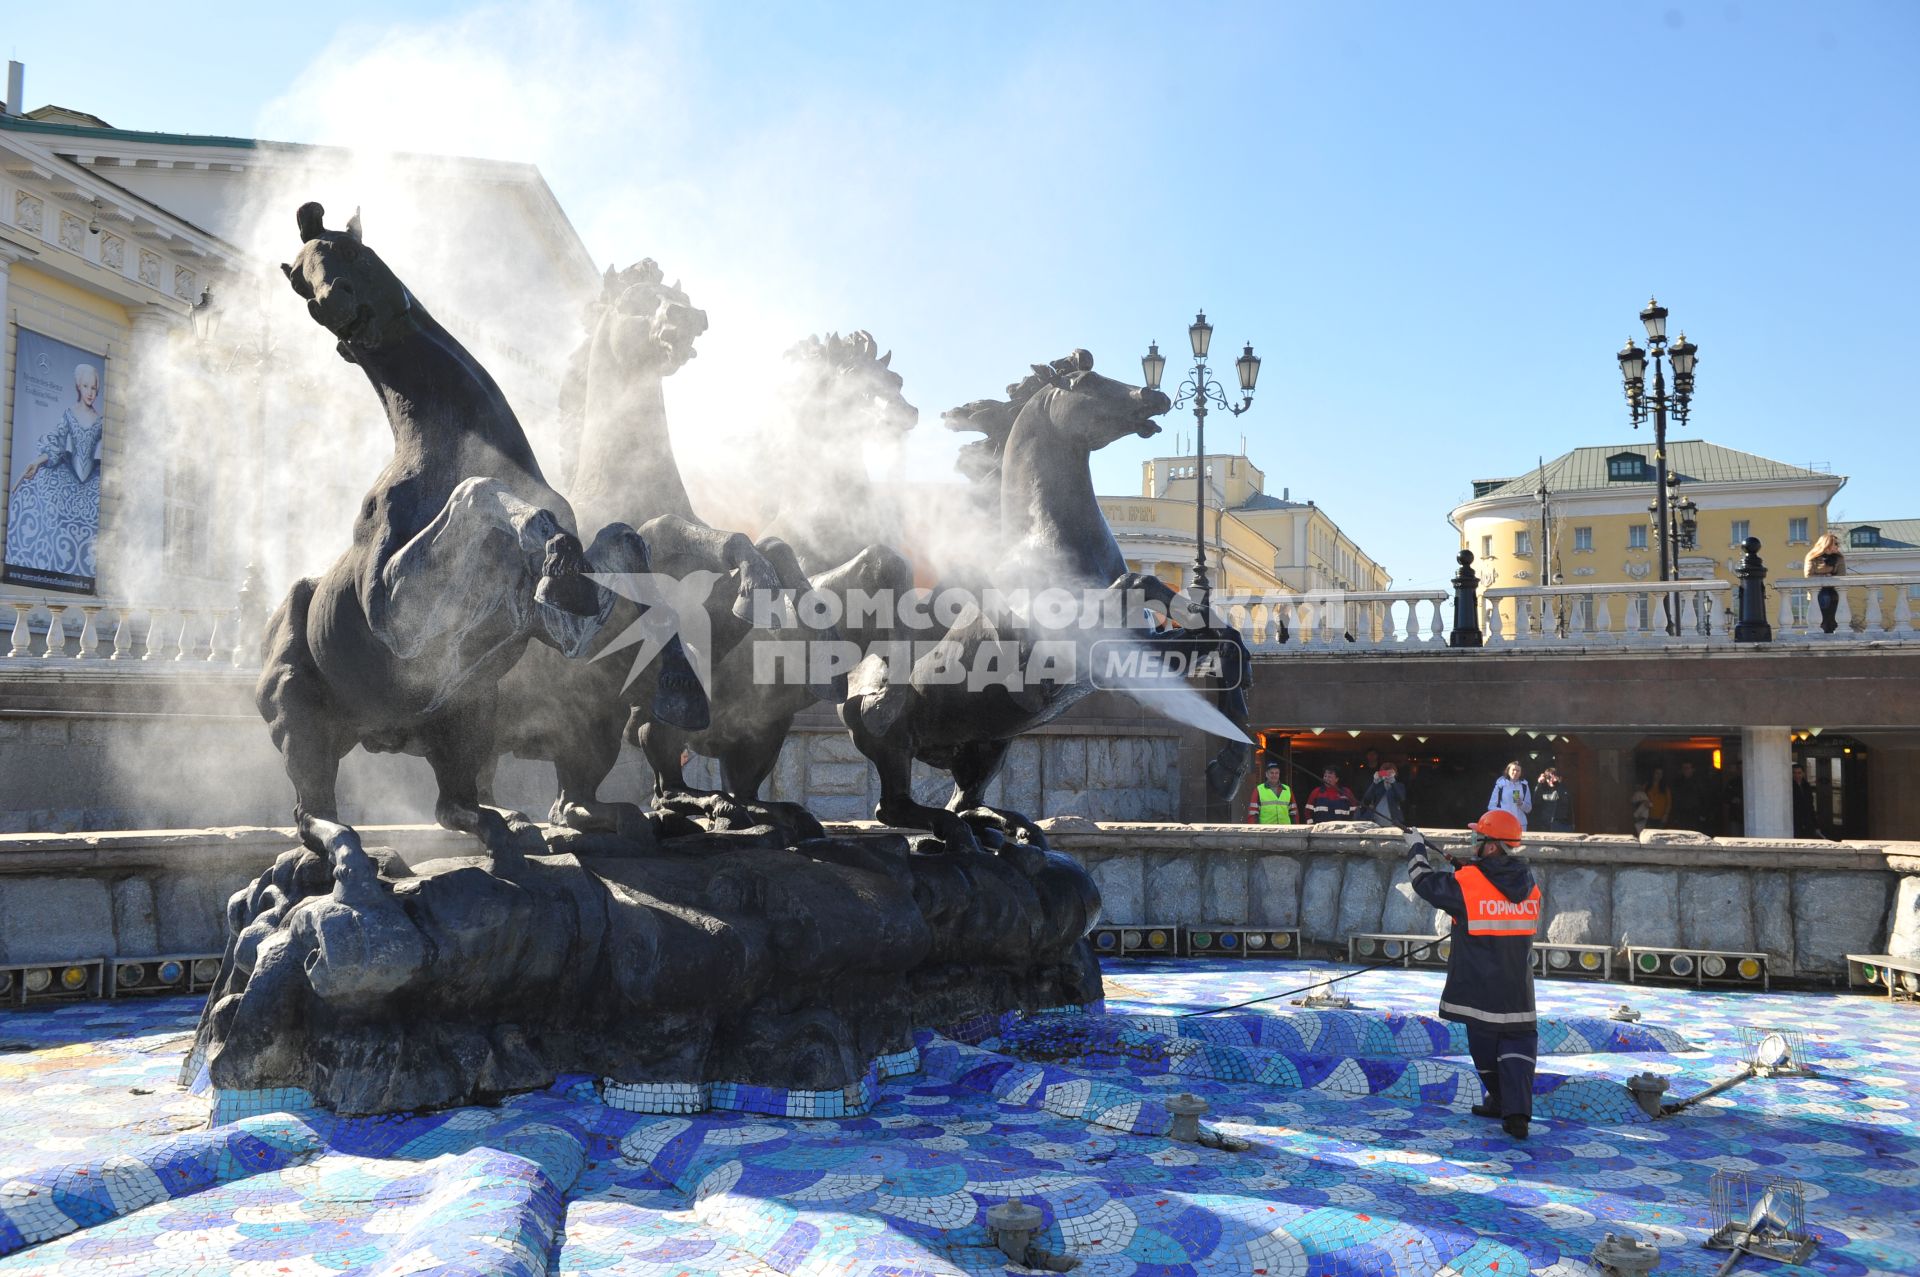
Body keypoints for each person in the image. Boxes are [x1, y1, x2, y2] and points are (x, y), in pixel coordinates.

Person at [1403, 809, 1541, 1140]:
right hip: (1519, 990)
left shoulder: (1470, 884)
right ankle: (1516, 1112)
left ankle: (1503, 1102)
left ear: (1492, 847)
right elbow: (1494, 889)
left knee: (1485, 1048)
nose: (1474, 843)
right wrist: (1470, 870)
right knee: (1519, 1045)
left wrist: (1415, 847)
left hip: (1480, 990)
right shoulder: (1528, 883)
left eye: (1478, 839)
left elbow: (1425, 883)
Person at [5, 362, 103, 581]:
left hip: (92, 478)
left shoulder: (101, 421)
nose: (90, 392)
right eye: (86, 386)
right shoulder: (70, 414)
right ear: (78, 386)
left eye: (94, 388)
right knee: (41, 493)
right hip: (69, 473)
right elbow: (58, 443)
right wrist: (38, 462)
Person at [1805, 532, 1846, 635]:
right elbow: (1809, 575)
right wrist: (1825, 576)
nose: (1837, 546)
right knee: (1820, 620)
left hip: (1834, 592)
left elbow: (1841, 576)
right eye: (1835, 543)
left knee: (1832, 620)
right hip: (1818, 592)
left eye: (1837, 544)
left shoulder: (1839, 558)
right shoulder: (1812, 556)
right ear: (1827, 544)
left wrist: (1829, 577)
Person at [1488, 761, 1532, 831]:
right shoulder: (1500, 785)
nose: (1515, 772)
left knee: (1519, 842)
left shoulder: (1524, 786)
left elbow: (1529, 809)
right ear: (1508, 771)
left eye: (1518, 770)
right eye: (1513, 770)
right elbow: (1491, 807)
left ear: (1521, 773)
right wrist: (1504, 813)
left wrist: (1522, 804)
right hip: (1504, 823)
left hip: (1520, 824)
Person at [1360, 761, 1406, 826]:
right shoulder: (1377, 786)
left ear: (1395, 773)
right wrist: (1374, 783)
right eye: (1385, 772)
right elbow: (1367, 798)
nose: (1387, 775)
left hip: (1394, 822)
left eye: (1390, 773)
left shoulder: (1399, 785)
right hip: (1376, 822)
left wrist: (1393, 782)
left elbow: (1401, 798)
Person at [1534, 767, 1573, 832]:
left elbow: (1564, 800)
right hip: (1546, 825)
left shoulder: (1563, 789)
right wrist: (1539, 784)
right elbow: (1536, 801)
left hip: (1561, 825)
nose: (1551, 780)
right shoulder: (1543, 790)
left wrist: (1557, 783)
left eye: (1553, 777)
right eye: (1548, 778)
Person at [1792, 763, 1823, 839]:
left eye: (1799, 773)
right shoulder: (1790, 786)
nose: (1797, 775)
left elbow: (1810, 806)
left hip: (1807, 820)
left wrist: (1815, 825)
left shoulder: (1806, 786)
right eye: (1794, 773)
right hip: (1795, 821)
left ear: (1803, 774)